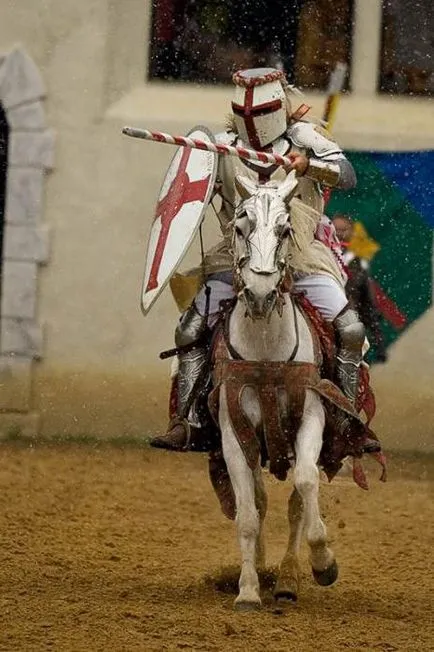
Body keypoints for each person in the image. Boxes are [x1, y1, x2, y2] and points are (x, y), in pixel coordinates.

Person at [150, 67, 371, 452]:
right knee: (190, 330)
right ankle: (189, 419)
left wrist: (309, 165)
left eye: (260, 114)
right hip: (236, 256)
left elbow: (347, 175)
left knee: (350, 330)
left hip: (300, 252)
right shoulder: (221, 148)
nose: (253, 124)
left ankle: (345, 418)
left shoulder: (305, 138)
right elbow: (190, 193)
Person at [332, 214, 387, 363]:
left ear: (351, 232)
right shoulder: (322, 253)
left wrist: (378, 343)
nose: (338, 233)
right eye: (335, 229)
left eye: (343, 230)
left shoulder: (358, 263)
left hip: (349, 320)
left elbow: (367, 303)